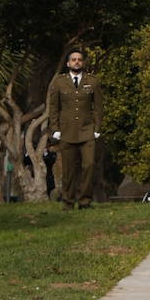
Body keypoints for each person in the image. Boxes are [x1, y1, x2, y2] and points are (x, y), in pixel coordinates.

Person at [47, 48, 102, 209]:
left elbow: (98, 107)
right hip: (67, 132)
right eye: (73, 59)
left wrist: (97, 128)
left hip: (87, 131)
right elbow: (54, 107)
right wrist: (55, 128)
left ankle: (85, 201)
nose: (77, 62)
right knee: (69, 170)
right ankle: (68, 201)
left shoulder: (92, 81)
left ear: (83, 62)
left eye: (79, 59)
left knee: (89, 165)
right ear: (68, 63)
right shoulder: (59, 82)